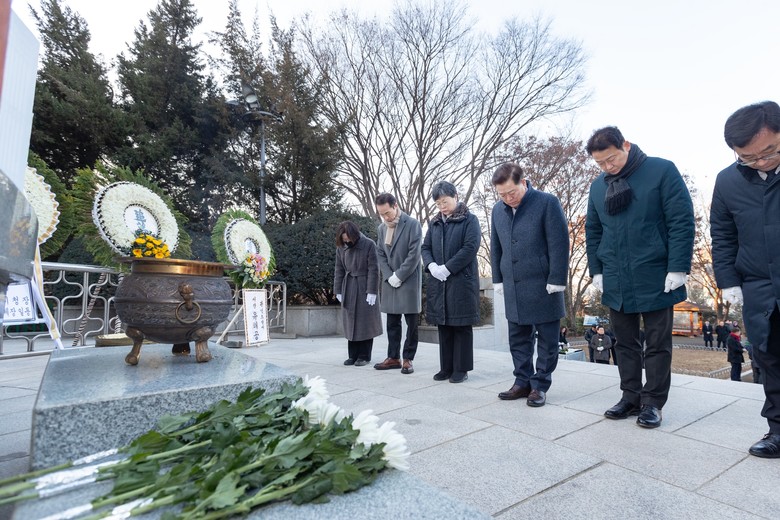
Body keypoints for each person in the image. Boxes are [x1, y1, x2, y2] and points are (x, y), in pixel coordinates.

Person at [585, 126, 694, 429]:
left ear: (626, 145)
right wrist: (597, 269)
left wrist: (678, 267)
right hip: (616, 274)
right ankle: (630, 396)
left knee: (657, 342)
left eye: (611, 159)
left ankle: (653, 402)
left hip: (655, 271)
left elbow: (681, 220)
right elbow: (593, 230)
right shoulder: (598, 187)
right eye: (600, 163)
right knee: (624, 342)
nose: (608, 167)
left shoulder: (661, 171)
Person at [710, 100, 780, 458]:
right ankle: (778, 429)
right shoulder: (727, 181)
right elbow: (722, 235)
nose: (761, 162)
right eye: (749, 157)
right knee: (769, 358)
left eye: (769, 152)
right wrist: (728, 281)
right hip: (759, 285)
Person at [490, 162, 569, 407]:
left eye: (512, 192)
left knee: (547, 340)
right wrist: (497, 278)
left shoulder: (547, 202)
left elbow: (559, 242)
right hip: (513, 284)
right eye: (502, 194)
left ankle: (540, 385)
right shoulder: (497, 210)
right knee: (518, 338)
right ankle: (522, 381)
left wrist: (557, 279)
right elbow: (496, 246)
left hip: (543, 283)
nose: (508, 199)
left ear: (523, 183)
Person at [421, 181, 481, 383]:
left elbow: (470, 247)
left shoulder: (469, 220)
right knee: (444, 324)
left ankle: (461, 369)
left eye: (445, 201)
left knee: (461, 325)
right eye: (438, 204)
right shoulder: (435, 223)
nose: (442, 207)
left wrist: (448, 268)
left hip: (461, 280)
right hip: (439, 282)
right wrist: (431, 266)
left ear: (455, 196)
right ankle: (446, 367)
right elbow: (425, 248)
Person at [373, 193, 423, 374]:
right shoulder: (381, 228)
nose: (385, 217)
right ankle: (393, 357)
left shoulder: (412, 224)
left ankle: (408, 358)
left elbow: (414, 254)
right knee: (392, 322)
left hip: (408, 280)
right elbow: (380, 253)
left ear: (395, 206)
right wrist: (388, 275)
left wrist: (399, 275)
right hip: (390, 281)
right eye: (381, 214)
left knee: (411, 323)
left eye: (387, 213)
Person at [333, 221, 383, 366]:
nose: (346, 241)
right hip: (349, 285)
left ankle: (364, 356)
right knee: (350, 321)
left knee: (365, 321)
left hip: (364, 285)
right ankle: (352, 355)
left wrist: (372, 291)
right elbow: (339, 269)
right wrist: (338, 290)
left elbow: (374, 269)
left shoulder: (368, 244)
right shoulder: (341, 247)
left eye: (348, 238)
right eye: (344, 239)